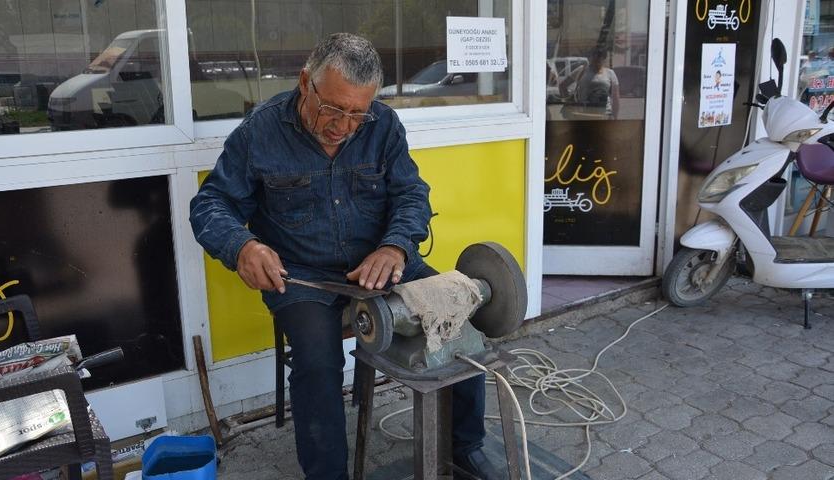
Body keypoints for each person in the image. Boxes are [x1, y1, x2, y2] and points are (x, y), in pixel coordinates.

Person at [189, 33, 501, 480]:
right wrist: (242, 246)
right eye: (333, 108)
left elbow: (412, 194)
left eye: (357, 114)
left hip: (383, 260)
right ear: (304, 83)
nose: (343, 125)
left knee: (458, 323)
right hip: (301, 277)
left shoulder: (384, 125)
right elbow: (209, 204)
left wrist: (394, 246)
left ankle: (465, 447)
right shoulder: (259, 133)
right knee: (318, 365)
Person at [559, 47, 620, 120]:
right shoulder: (582, 70)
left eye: (600, 56)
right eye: (594, 55)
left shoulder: (610, 73)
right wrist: (569, 104)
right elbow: (562, 86)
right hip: (584, 115)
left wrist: (615, 118)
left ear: (604, 58)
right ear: (591, 57)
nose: (597, 58)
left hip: (605, 116)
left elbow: (615, 98)